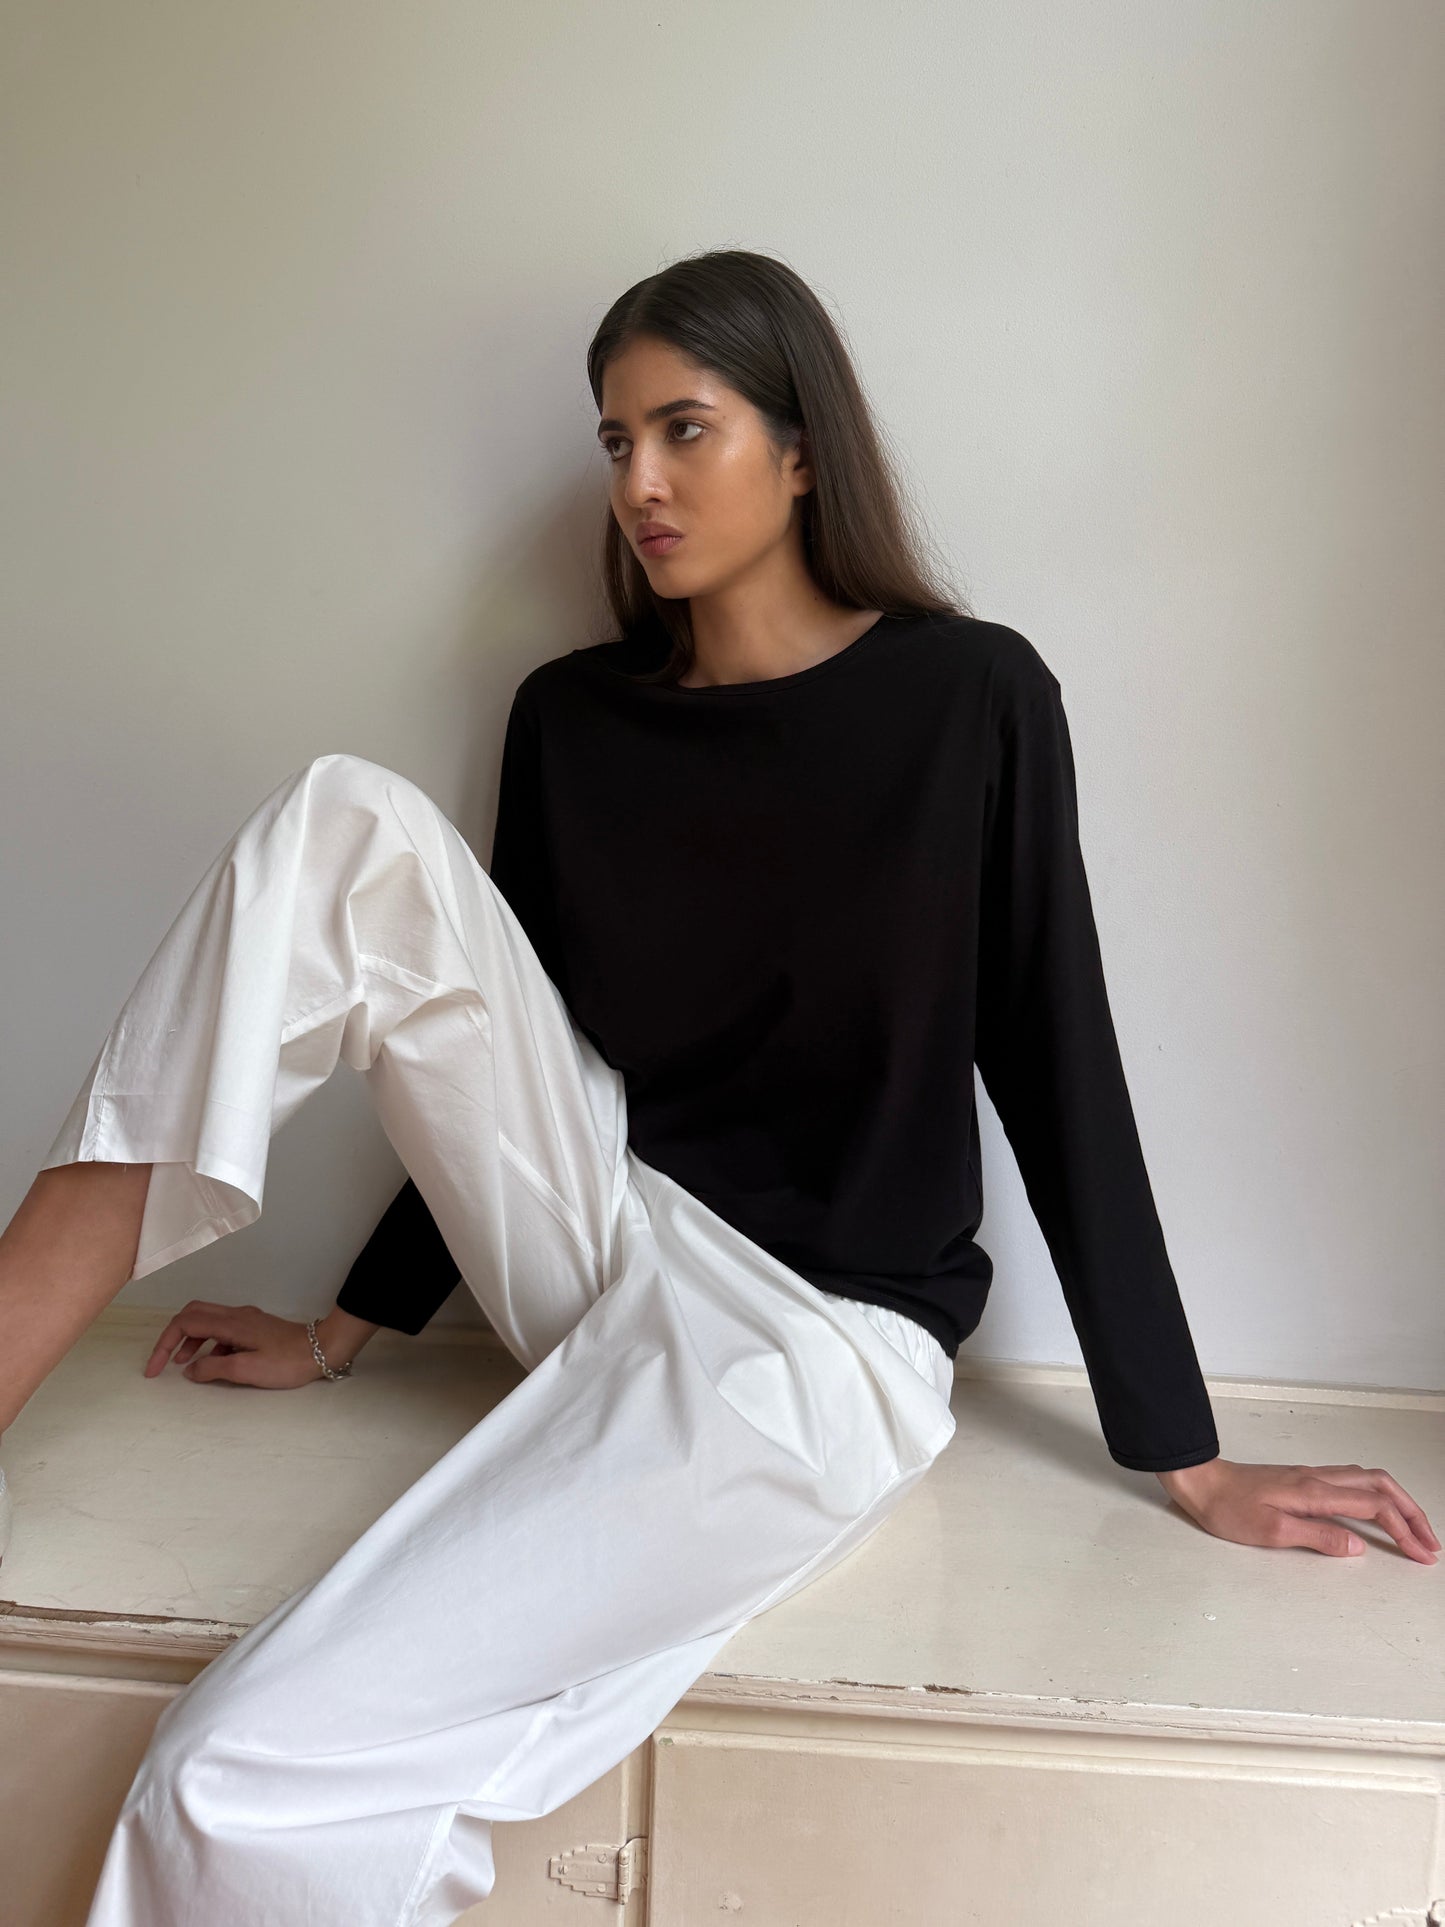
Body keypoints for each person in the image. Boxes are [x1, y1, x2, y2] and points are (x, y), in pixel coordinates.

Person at [0, 248, 1435, 1926]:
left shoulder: (971, 698)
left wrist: (1182, 1455)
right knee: (342, 822)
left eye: (682, 430)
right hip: (606, 1238)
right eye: (614, 443)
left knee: (237, 1769)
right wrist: (348, 1331)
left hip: (812, 1343)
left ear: (801, 445)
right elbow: (491, 1049)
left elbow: (1058, 1059)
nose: (641, 485)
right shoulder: (573, 720)